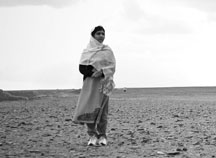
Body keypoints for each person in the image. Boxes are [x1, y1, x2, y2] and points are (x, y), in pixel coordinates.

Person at [72, 26, 116, 146]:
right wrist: (92, 73)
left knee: (102, 110)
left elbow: (112, 67)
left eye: (103, 33)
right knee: (89, 109)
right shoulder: (87, 51)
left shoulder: (107, 50)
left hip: (103, 84)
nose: (101, 35)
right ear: (93, 35)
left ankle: (102, 136)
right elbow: (81, 68)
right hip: (90, 84)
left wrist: (102, 72)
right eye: (98, 33)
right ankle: (92, 135)